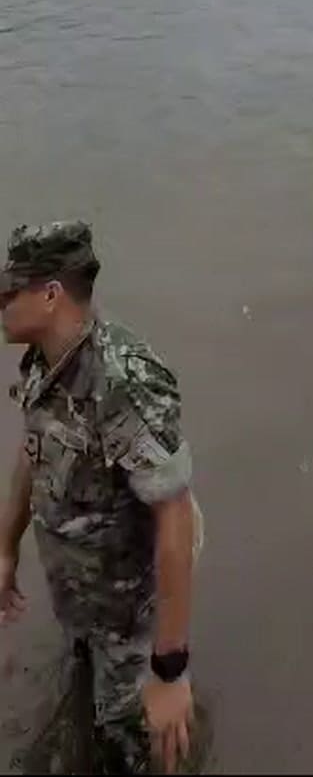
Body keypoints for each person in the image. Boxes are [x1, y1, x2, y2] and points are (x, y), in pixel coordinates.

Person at [0, 220, 194, 774]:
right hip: (79, 595)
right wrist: (6, 548)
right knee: (86, 698)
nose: (1, 307)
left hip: (128, 618)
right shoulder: (44, 362)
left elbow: (176, 515)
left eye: (8, 294)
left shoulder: (123, 382)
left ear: (50, 294)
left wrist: (170, 668)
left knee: (131, 744)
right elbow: (33, 451)